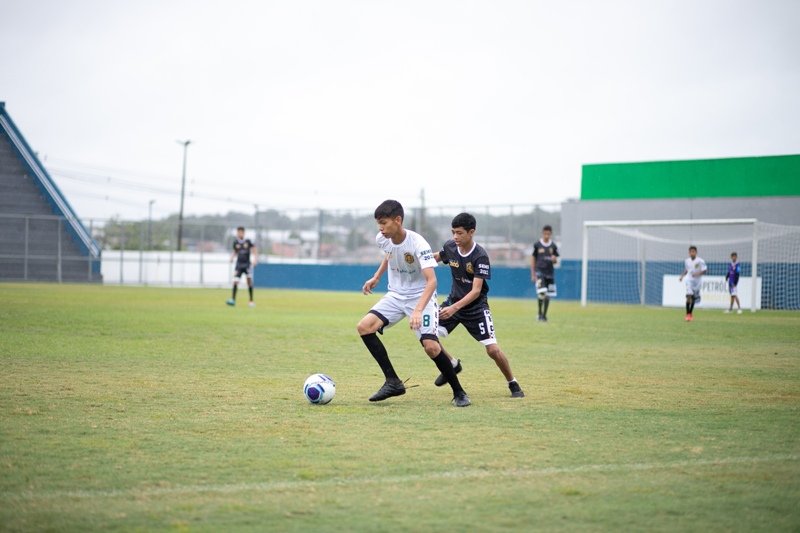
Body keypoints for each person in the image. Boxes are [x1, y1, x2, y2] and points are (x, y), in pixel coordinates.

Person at [357, 199, 471, 407]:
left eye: (383, 223)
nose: (380, 228)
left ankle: (459, 392)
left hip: (421, 297)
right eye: (378, 223)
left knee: (431, 347)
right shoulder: (383, 238)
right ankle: (393, 382)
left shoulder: (418, 244)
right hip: (396, 295)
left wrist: (418, 311)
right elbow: (389, 255)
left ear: (398, 220)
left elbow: (432, 281)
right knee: (364, 327)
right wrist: (377, 276)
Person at [433, 213, 525, 398]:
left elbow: (476, 291)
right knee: (428, 335)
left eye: (459, 233)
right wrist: (414, 258)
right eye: (453, 232)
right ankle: (452, 364)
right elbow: (435, 257)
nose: (455, 237)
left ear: (471, 232)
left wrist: (453, 308)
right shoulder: (450, 247)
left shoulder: (480, 256)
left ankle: (512, 383)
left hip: (476, 308)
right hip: (453, 302)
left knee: (492, 350)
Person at [531, 225, 559, 322]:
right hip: (540, 272)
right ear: (542, 233)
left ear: (551, 234)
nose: (547, 236)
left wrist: (554, 260)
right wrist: (533, 274)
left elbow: (555, 261)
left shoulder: (553, 246)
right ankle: (539, 313)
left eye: (548, 234)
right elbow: (533, 259)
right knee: (541, 292)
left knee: (548, 295)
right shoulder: (537, 245)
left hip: (550, 273)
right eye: (545, 234)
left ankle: (544, 316)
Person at [227, 226, 257, 307]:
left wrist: (255, 259)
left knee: (249, 281)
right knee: (235, 281)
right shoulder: (236, 242)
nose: (239, 234)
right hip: (239, 265)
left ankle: (251, 301)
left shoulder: (248, 241)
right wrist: (232, 257)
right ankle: (233, 300)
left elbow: (254, 249)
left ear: (243, 233)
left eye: (241, 232)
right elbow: (235, 251)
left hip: (247, 264)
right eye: (238, 232)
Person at [678, 245, 707, 321]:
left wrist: (697, 274)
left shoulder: (700, 261)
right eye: (691, 252)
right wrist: (682, 276)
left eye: (693, 252)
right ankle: (687, 314)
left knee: (693, 298)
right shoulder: (687, 261)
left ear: (696, 252)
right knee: (689, 295)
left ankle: (690, 313)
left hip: (697, 281)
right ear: (689, 253)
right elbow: (687, 270)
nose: (692, 253)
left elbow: (705, 270)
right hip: (689, 279)